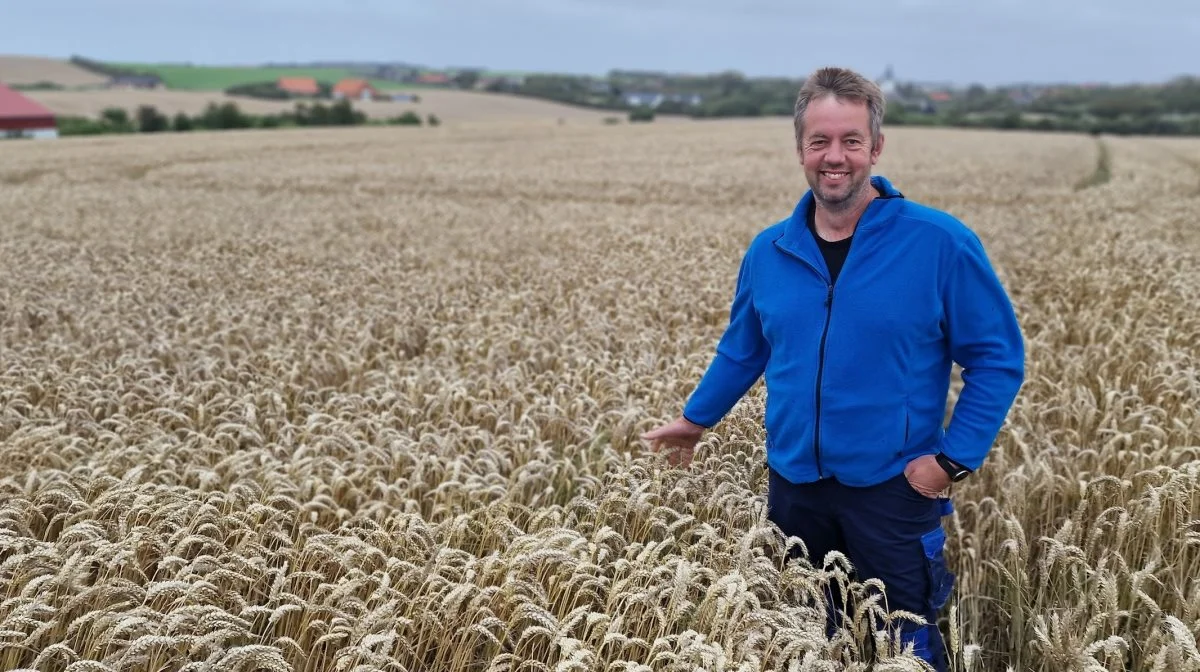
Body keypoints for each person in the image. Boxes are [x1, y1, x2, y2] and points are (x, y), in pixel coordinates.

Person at [640, 66, 1025, 671]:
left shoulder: (939, 243)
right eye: (820, 141)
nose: (834, 156)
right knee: (808, 642)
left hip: (893, 490)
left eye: (850, 140)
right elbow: (745, 348)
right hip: (794, 489)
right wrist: (695, 419)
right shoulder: (770, 250)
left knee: (908, 650)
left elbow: (999, 358)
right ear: (800, 150)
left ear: (876, 146)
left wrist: (951, 461)